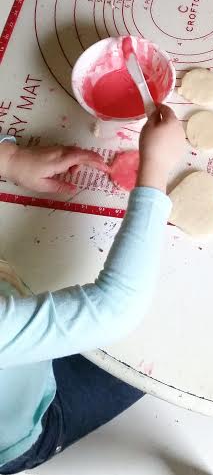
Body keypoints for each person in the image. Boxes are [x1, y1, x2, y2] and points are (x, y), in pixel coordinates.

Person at [0, 104, 186, 473]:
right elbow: (116, 308)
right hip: (33, 413)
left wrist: (9, 159)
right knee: (171, 348)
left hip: (16, 324)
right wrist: (155, 170)